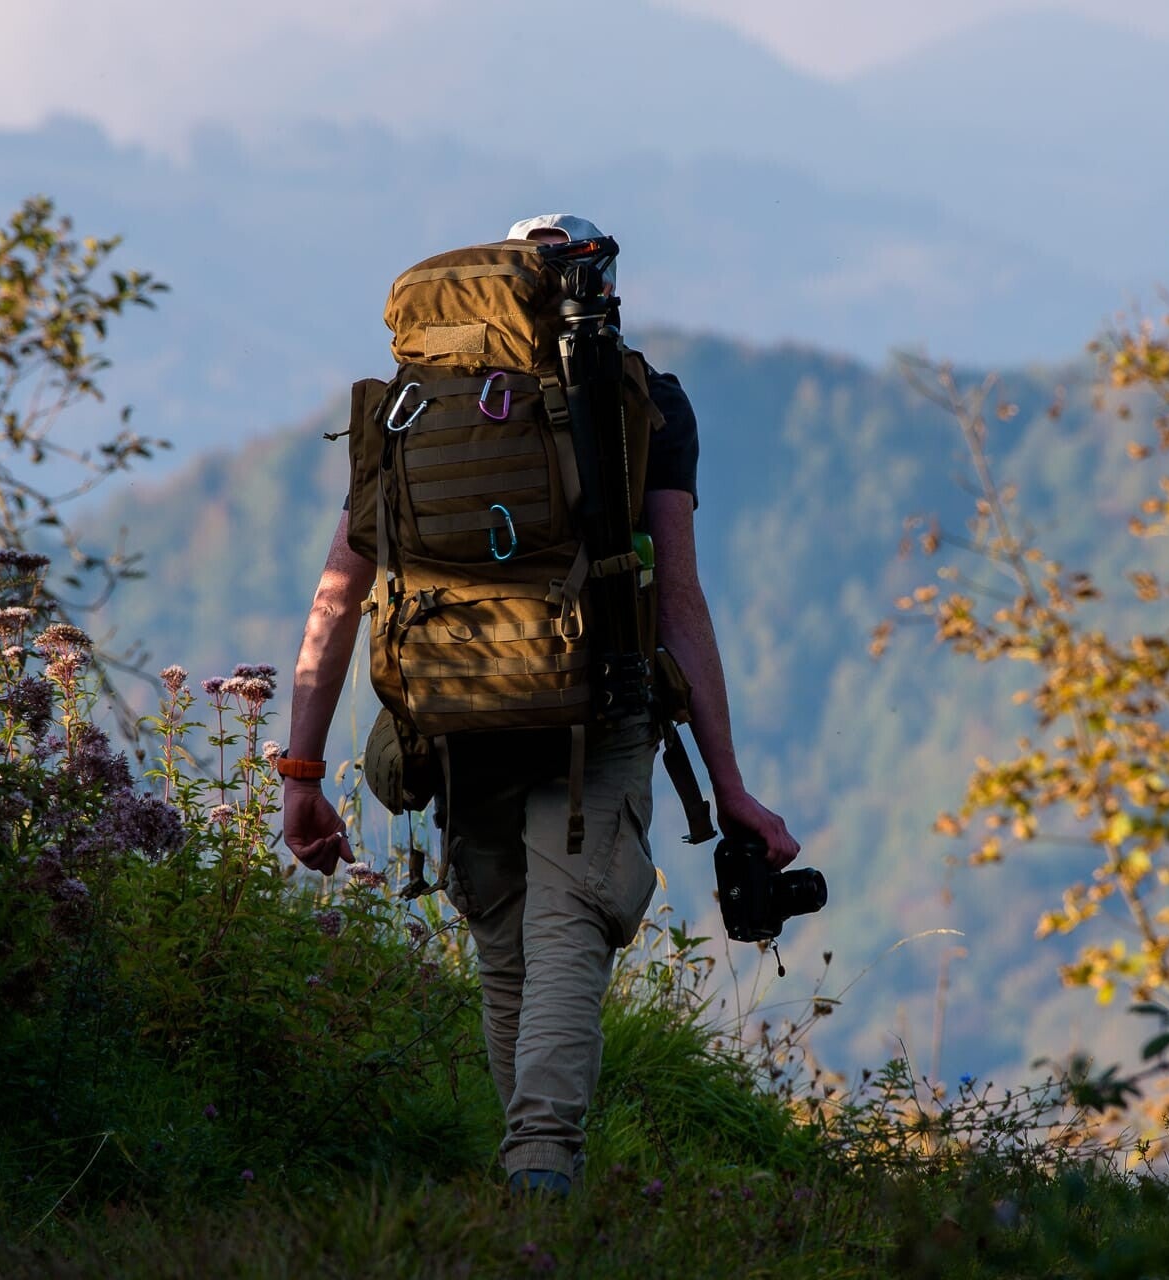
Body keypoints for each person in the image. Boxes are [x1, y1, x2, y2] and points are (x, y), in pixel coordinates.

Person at [278, 213, 800, 1195]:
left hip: (454, 705)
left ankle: (528, 1174)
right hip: (597, 705)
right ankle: (542, 1167)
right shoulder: (641, 397)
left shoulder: (411, 403)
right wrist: (729, 785)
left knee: (506, 948)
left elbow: (338, 593)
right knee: (570, 929)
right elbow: (679, 599)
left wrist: (302, 774)